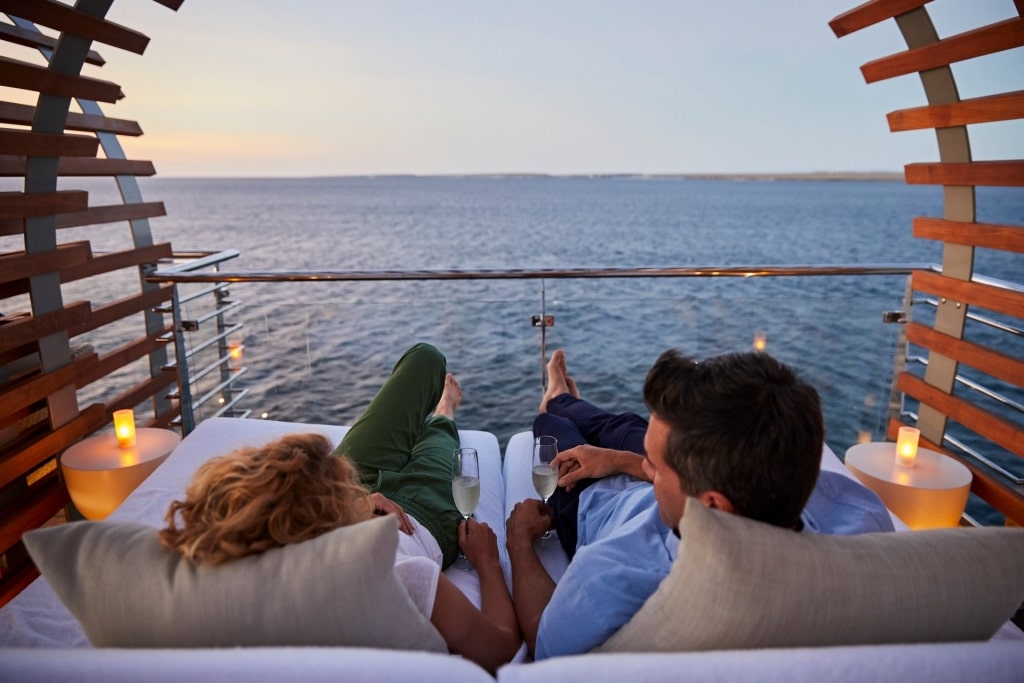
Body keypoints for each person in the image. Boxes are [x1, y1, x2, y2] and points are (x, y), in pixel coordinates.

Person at [160, 343, 520, 673]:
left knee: (426, 359)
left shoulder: (256, 535)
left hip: (328, 489)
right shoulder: (390, 574)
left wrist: (349, 499)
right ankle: (445, 411)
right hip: (419, 517)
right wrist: (487, 562)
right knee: (438, 438)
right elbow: (498, 646)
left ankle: (422, 427)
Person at [506, 347, 828, 659]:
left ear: (712, 508)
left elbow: (546, 648)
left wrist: (519, 541)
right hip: (689, 461)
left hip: (598, 501)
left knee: (550, 424)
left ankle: (555, 402)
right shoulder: (853, 512)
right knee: (623, 426)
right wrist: (621, 460)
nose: (644, 466)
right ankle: (564, 398)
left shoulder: (609, 578)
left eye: (655, 467)